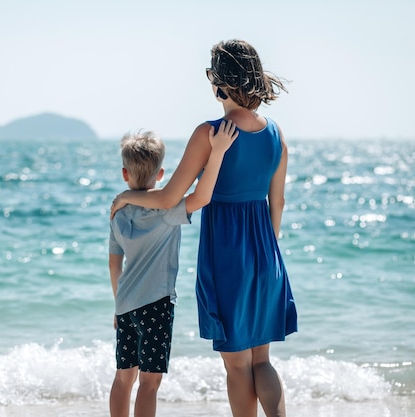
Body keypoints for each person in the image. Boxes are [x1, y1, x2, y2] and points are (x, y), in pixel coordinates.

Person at [110, 39, 298, 417]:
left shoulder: (210, 134)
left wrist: (125, 199)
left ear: (220, 83)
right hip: (267, 256)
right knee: (262, 359)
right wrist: (266, 250)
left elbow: (169, 199)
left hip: (228, 256)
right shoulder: (276, 134)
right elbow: (277, 202)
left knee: (236, 365)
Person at [109, 124, 238, 417]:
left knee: (123, 377)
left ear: (124, 174)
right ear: (161, 175)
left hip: (126, 305)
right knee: (149, 383)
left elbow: (113, 263)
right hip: (156, 305)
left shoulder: (117, 213)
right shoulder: (166, 211)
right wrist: (217, 153)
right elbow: (202, 197)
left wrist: (118, 305)